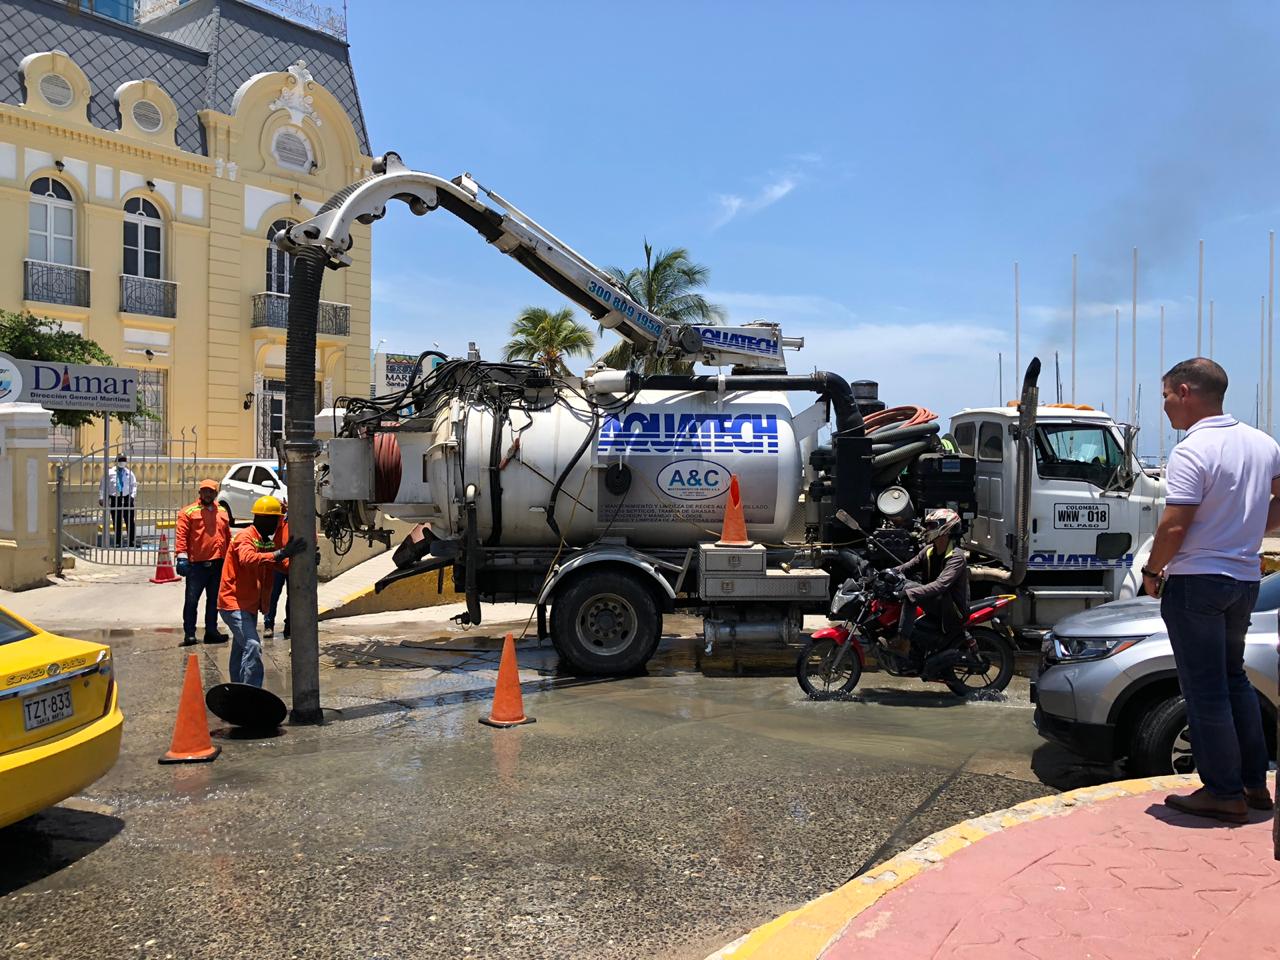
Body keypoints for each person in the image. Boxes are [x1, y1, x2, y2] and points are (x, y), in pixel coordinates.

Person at [1145, 358, 1277, 823]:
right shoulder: (1263, 443)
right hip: (1243, 580)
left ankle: (1222, 792)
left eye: (1164, 396)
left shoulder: (1191, 450)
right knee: (1232, 677)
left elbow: (1174, 525)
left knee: (1204, 689)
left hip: (1197, 581)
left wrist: (1152, 572)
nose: (1163, 408)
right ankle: (1253, 784)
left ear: (1185, 391)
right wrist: (1240, 530)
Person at [217, 495, 306, 687]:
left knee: (240, 649)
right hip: (233, 604)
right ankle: (251, 693)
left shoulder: (264, 541)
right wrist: (281, 553)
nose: (277, 525)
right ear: (263, 519)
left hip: (247, 604)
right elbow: (248, 559)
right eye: (276, 520)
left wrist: (305, 562)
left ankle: (237, 690)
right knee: (252, 645)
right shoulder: (245, 537)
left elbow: (280, 565)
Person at [891, 508, 968, 664]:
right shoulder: (928, 551)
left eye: (932, 526)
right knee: (903, 585)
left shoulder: (956, 557)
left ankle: (902, 642)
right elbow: (906, 568)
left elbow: (940, 585)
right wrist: (885, 574)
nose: (927, 530)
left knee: (909, 589)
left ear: (945, 528)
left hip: (951, 609)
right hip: (936, 602)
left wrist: (911, 593)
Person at [175, 479, 230, 647]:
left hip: (217, 564)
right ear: (199, 493)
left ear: (215, 493)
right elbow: (181, 535)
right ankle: (189, 634)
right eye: (204, 491)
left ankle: (211, 631)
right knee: (192, 600)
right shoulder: (188, 512)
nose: (207, 494)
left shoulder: (222, 511)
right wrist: (181, 556)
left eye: (211, 491)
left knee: (214, 601)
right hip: (196, 565)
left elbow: (226, 536)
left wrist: (229, 558)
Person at [98, 454, 137, 547]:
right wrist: (101, 497)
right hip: (115, 498)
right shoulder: (109, 472)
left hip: (127, 498)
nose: (122, 461)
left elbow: (134, 485)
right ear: (116, 460)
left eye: (124, 459)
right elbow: (103, 485)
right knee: (117, 520)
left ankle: (131, 541)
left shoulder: (129, 473)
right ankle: (118, 541)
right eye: (121, 459)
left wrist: (132, 496)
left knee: (130, 520)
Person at [264, 500, 289, 641]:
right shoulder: (278, 519)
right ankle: (268, 625)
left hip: (293, 566)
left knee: (293, 599)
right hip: (277, 564)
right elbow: (271, 532)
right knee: (272, 596)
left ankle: (290, 626)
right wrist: (281, 514)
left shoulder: (301, 520)